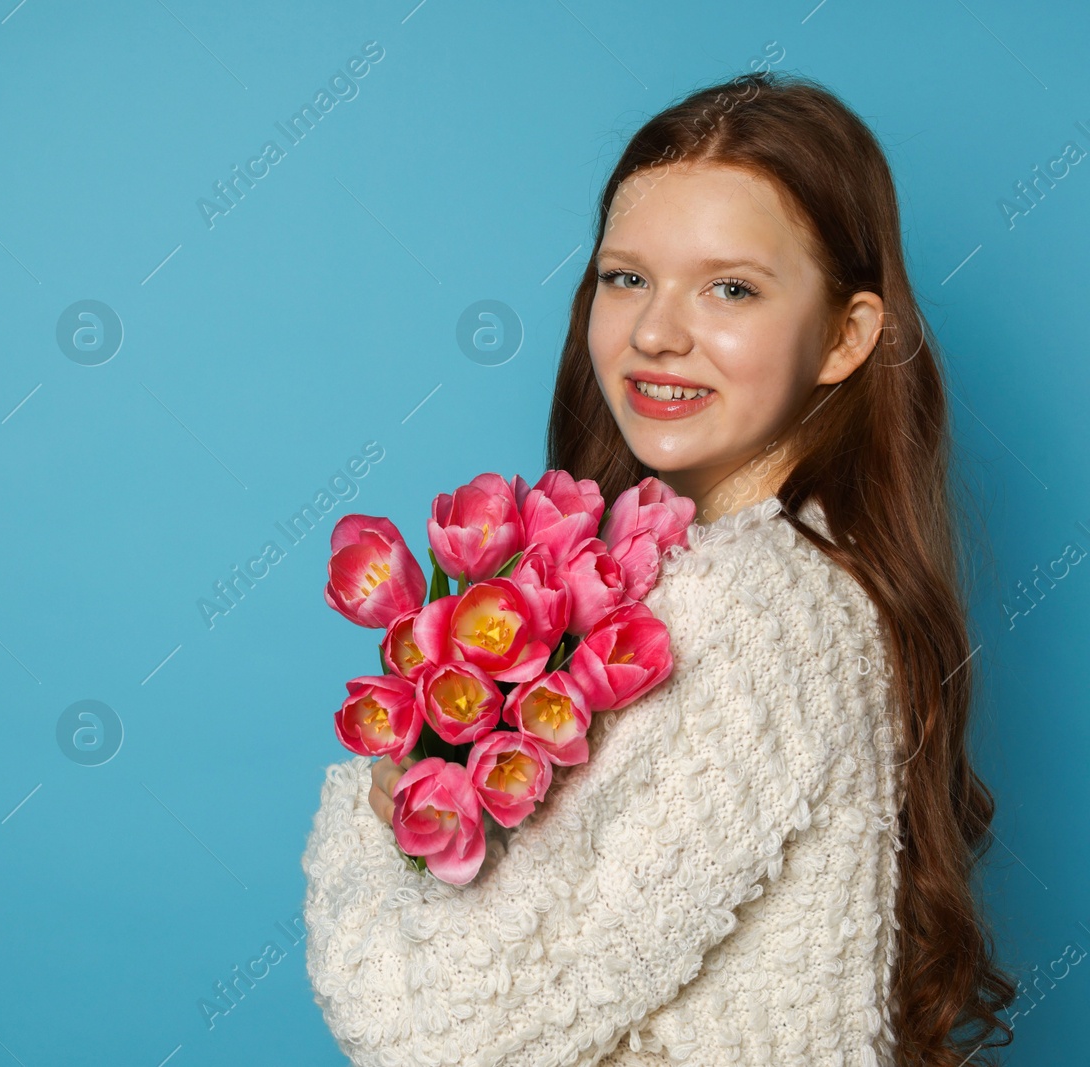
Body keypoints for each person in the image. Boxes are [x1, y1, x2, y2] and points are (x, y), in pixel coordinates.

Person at [301, 71, 1014, 1067]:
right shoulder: (792, 584)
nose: (653, 332)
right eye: (625, 276)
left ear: (846, 337)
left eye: (730, 287)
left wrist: (379, 804)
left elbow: (434, 1033)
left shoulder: (750, 609)